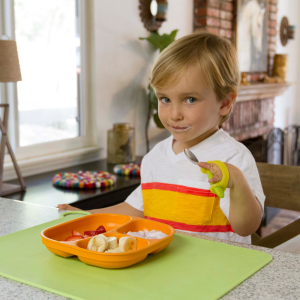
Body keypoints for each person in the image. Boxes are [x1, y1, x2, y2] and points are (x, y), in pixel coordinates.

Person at [58, 31, 264, 244]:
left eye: (190, 99)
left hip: (218, 271)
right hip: (163, 268)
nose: (174, 114)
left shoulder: (233, 157)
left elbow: (246, 227)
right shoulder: (155, 157)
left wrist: (236, 181)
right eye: (164, 99)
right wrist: (85, 216)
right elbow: (135, 209)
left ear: (224, 103)